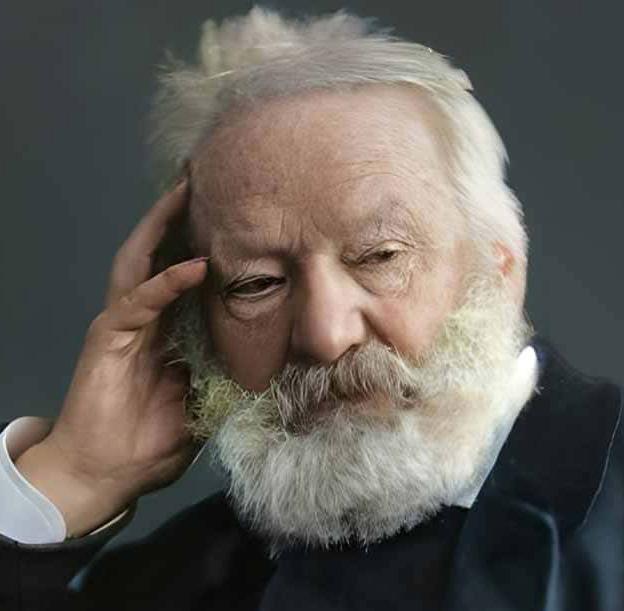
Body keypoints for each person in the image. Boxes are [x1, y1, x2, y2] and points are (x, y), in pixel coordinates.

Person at [1, 7, 622, 611]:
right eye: (257, 285)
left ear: (499, 265)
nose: (325, 334)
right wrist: (78, 477)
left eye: (380, 255)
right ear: (195, 329)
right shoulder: (175, 581)